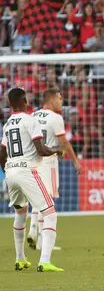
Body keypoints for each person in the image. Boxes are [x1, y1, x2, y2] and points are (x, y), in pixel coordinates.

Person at [0, 88, 62, 272]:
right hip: (27, 170)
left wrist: (8, 171)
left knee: (20, 214)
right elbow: (41, 150)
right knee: (50, 213)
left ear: (10, 104)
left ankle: (20, 259)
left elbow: (2, 153)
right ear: (25, 100)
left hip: (11, 172)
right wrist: (56, 150)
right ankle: (45, 261)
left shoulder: (8, 124)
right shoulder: (30, 120)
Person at [28, 89, 82, 251]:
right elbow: (65, 143)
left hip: (32, 161)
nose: (61, 101)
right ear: (50, 100)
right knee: (48, 201)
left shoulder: (33, 116)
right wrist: (75, 162)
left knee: (39, 197)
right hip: (48, 162)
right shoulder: (56, 118)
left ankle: (33, 231)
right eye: (59, 98)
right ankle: (43, 241)